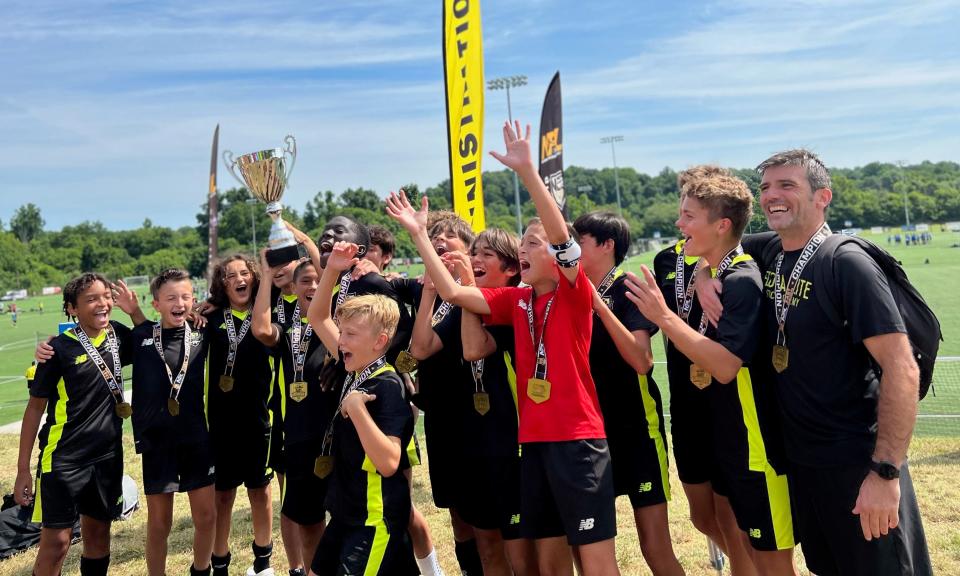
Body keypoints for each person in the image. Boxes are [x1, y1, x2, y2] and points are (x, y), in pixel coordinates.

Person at [387, 120, 620, 576]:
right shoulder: (517, 301)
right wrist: (418, 235)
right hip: (531, 446)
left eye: (534, 243)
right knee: (550, 566)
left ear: (558, 257)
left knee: (596, 565)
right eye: (525, 244)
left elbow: (561, 240)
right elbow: (456, 295)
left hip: (577, 443)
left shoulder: (572, 293)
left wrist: (528, 175)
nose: (526, 249)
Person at [746, 150, 930, 576]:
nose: (771, 195)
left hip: (857, 466)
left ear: (822, 196)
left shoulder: (846, 263)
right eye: (766, 188)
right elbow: (717, 239)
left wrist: (885, 474)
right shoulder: (771, 251)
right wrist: (702, 276)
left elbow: (901, 368)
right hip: (805, 465)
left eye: (786, 185)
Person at [625, 173, 798, 575]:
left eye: (688, 216)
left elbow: (724, 367)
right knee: (737, 541)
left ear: (721, 225)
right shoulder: (714, 270)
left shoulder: (741, 280)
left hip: (754, 445)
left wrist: (664, 317)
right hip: (723, 433)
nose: (678, 226)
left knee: (770, 561)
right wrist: (703, 272)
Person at [574, 211, 684, 576]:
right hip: (587, 436)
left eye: (581, 241)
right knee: (587, 545)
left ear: (607, 246)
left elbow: (641, 360)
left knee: (654, 547)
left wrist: (600, 307)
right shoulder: (571, 294)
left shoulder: (628, 288)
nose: (572, 249)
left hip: (635, 430)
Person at [15, 273, 145, 576]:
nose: (102, 304)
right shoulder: (57, 350)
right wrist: (22, 468)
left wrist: (134, 311)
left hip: (107, 458)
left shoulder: (119, 336)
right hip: (64, 459)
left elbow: (153, 340)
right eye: (91, 299)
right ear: (72, 308)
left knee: (99, 536)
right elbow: (34, 410)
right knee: (57, 542)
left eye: (105, 297)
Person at [306, 244, 417, 575]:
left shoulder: (387, 385)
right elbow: (317, 316)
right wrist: (333, 269)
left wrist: (356, 409)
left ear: (380, 341)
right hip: (346, 512)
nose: (340, 342)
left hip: (374, 518)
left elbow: (388, 462)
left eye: (350, 334)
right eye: (342, 334)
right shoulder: (354, 365)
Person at [455, 228, 539, 576]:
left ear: (510, 268)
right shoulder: (453, 307)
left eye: (486, 254)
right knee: (482, 541)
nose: (475, 259)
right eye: (474, 252)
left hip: (510, 443)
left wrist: (465, 288)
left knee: (520, 554)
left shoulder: (512, 307)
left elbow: (473, 349)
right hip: (467, 440)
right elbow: (419, 351)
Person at [252, 227, 332, 575]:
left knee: (349, 513)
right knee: (302, 513)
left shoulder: (339, 319)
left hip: (339, 431)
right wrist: (266, 275)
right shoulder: (288, 327)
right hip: (297, 432)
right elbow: (260, 330)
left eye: (318, 281)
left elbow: (323, 275)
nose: (311, 287)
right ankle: (302, 568)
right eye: (305, 283)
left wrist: (298, 235)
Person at [131, 269, 216, 576]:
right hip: (157, 442)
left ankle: (201, 570)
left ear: (194, 299)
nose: (179, 303)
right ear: (156, 304)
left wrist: (207, 309)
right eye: (170, 298)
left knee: (206, 516)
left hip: (196, 439)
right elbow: (102, 345)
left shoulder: (203, 331)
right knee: (159, 523)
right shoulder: (141, 337)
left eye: (185, 296)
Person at [204, 254, 276, 576]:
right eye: (230, 275)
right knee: (223, 497)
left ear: (253, 277)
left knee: (260, 492)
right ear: (222, 284)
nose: (238, 279)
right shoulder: (212, 318)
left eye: (244, 273)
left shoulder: (266, 316)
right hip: (221, 424)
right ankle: (220, 562)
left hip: (258, 420)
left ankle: (263, 561)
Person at [266, 255, 309, 576]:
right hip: (283, 417)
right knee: (290, 496)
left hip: (322, 414)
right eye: (273, 261)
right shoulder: (268, 302)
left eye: (287, 259)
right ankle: (296, 567)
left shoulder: (315, 294)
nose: (280, 268)